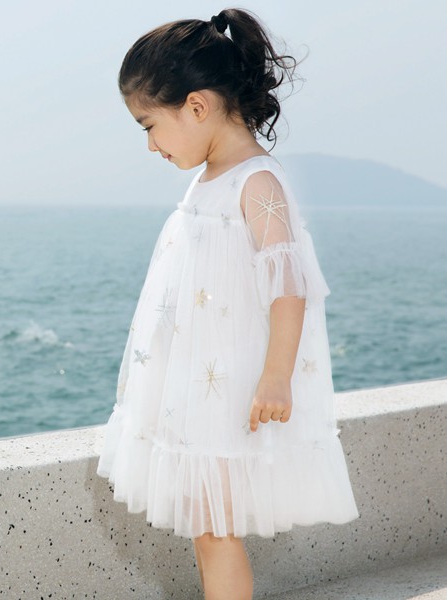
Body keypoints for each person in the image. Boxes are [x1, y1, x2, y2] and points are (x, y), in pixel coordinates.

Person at [96, 7, 360, 600]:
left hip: (233, 395)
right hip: (199, 389)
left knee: (215, 528)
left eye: (148, 125)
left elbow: (288, 283)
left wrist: (277, 376)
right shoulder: (210, 177)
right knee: (206, 524)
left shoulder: (256, 181)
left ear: (196, 106)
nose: (150, 144)